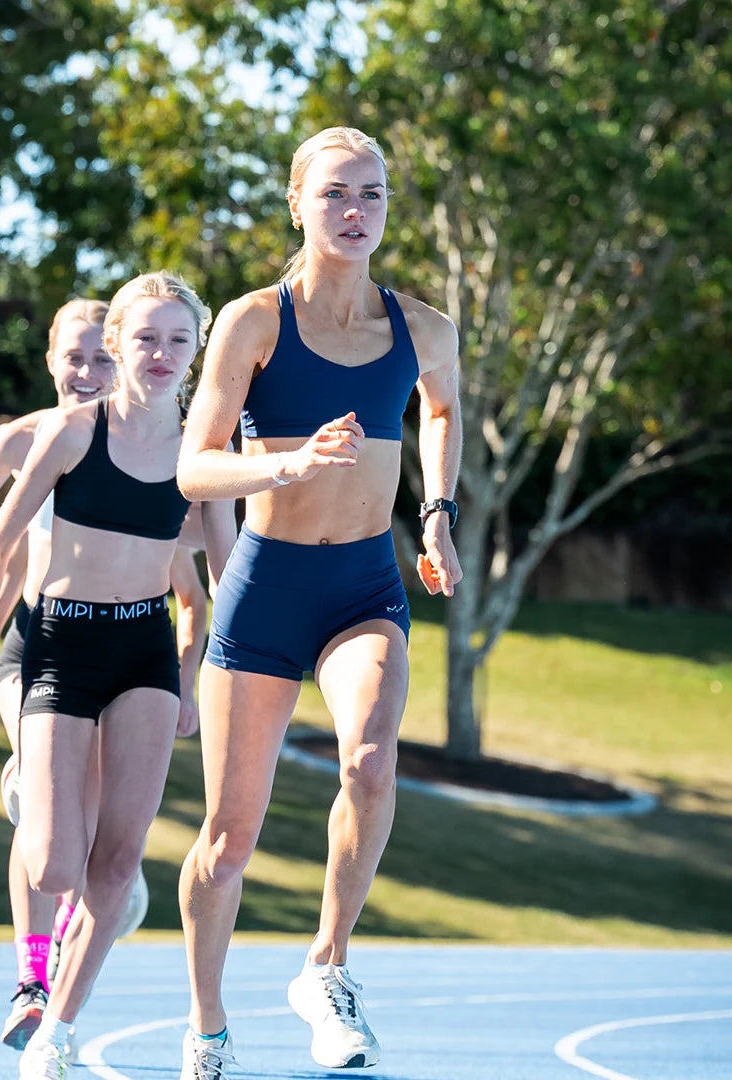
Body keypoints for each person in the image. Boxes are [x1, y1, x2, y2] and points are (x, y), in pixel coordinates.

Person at [175, 126, 463, 1076]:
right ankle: (207, 1024)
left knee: (372, 764)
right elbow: (193, 465)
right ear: (297, 203)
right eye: (336, 193)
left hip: (363, 590)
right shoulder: (253, 321)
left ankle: (327, 968)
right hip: (266, 588)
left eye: (372, 195)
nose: (355, 212)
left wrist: (436, 512)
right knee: (228, 839)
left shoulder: (424, 328)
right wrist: (289, 463)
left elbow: (443, 409)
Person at [0, 297, 223, 1053]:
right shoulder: (46, 436)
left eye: (103, 357)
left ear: (195, 351)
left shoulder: (197, 451)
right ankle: (35, 792)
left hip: (141, 648)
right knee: (55, 861)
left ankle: (54, 1012)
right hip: (44, 643)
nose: (91, 371)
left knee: (112, 851)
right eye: (86, 355)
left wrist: (206, 671)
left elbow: (210, 575)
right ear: (57, 358)